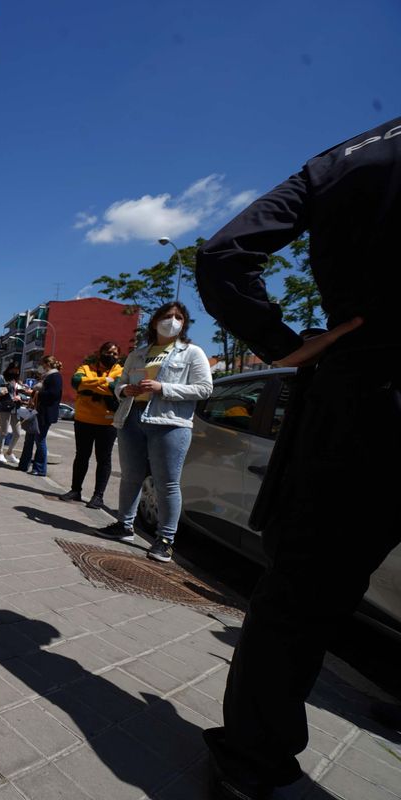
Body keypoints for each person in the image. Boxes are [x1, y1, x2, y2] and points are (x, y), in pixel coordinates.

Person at [193, 117, 400, 800]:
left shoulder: (350, 157)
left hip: (360, 397)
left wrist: (283, 344)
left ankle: (251, 763)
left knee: (299, 598)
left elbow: (224, 256)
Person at [96, 302, 212, 563]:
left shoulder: (192, 353)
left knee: (167, 483)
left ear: (185, 323)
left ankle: (165, 540)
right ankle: (124, 526)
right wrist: (125, 390)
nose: (172, 320)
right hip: (132, 417)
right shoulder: (138, 353)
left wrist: (163, 387)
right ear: (154, 321)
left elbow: (205, 389)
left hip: (169, 422)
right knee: (131, 477)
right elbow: (120, 383)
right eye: (167, 316)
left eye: (178, 317)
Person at [59, 342, 123, 509]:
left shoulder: (120, 371)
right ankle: (75, 490)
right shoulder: (85, 368)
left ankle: (98, 496)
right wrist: (104, 381)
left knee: (103, 459)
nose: (112, 356)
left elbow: (115, 388)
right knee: (81, 456)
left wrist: (90, 386)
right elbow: (76, 382)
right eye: (108, 352)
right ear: (100, 353)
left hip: (107, 422)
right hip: (83, 420)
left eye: (115, 353)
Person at [16, 355, 62, 476]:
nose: (40, 367)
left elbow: (54, 394)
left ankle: (40, 469)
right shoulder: (46, 376)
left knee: (40, 440)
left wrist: (35, 393)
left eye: (41, 364)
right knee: (29, 439)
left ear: (47, 364)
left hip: (45, 414)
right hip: (37, 411)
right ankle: (23, 465)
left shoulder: (55, 376)